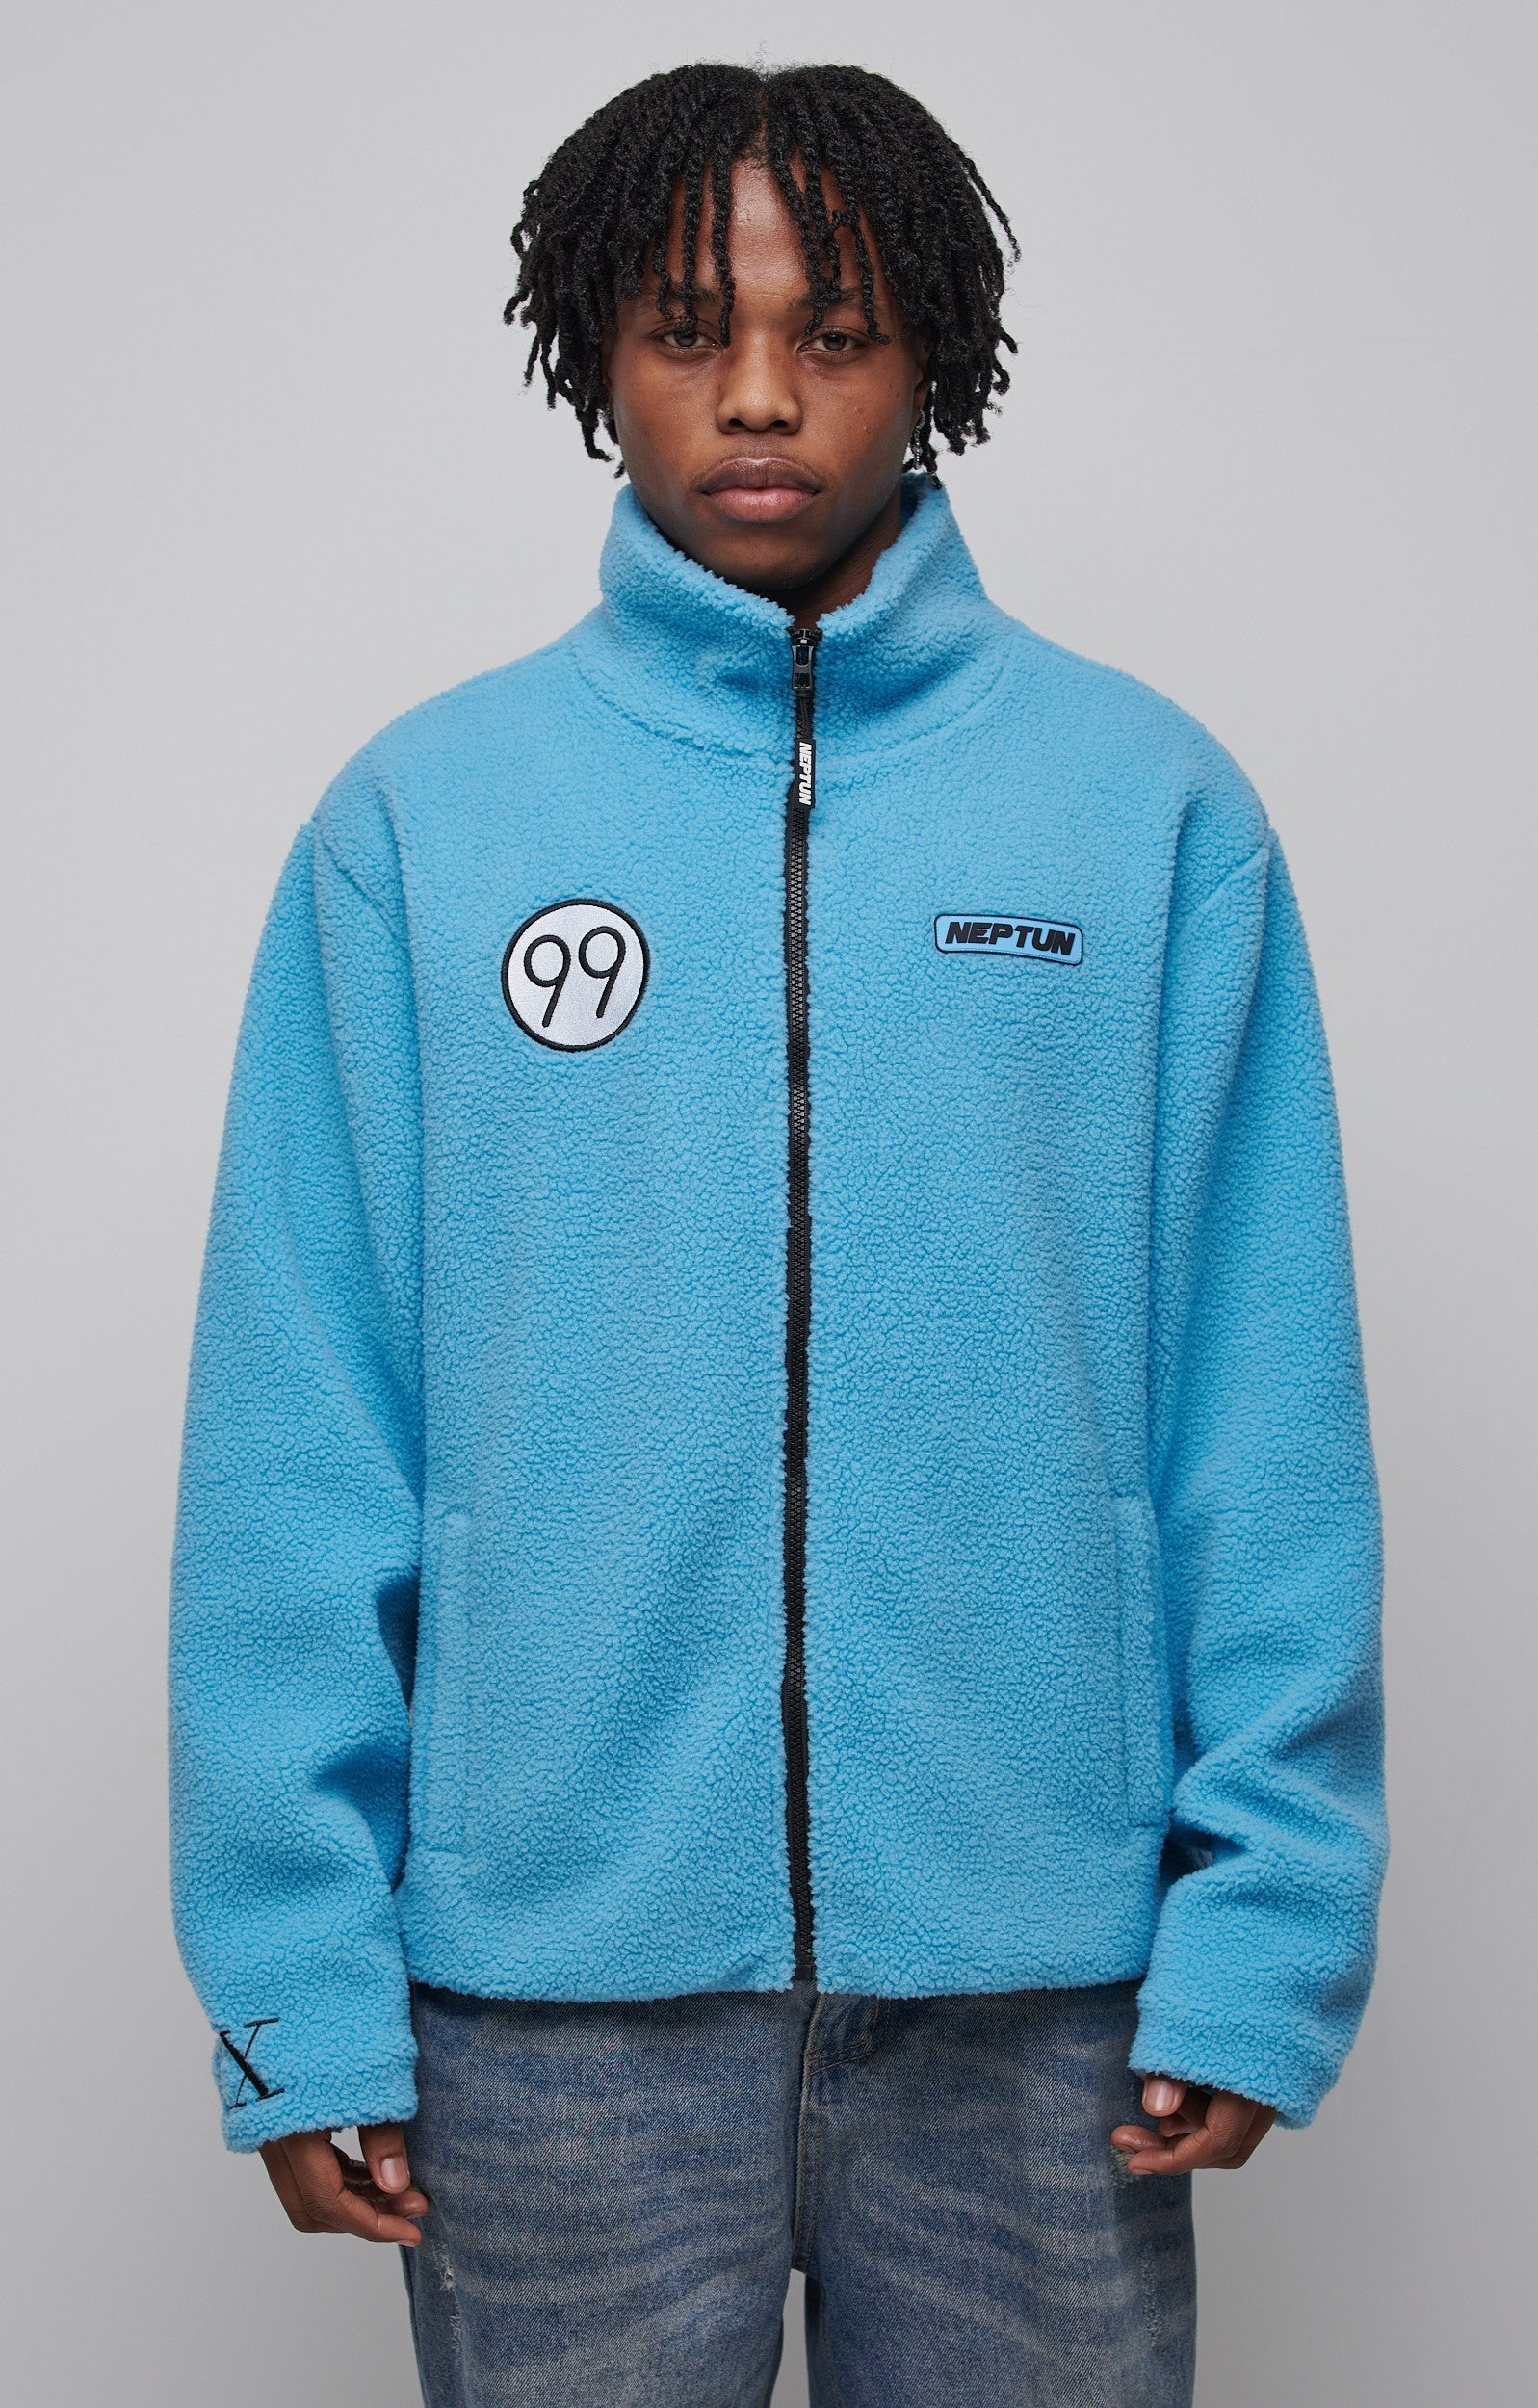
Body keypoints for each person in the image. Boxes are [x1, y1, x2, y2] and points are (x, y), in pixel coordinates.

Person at [169, 61, 1386, 2408]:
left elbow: (1265, 1414)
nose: (753, 393)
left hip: (1048, 1998)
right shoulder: (423, 828)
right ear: (590, 354)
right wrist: (295, 1978)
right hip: (547, 2005)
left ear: (932, 349)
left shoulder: (1145, 815)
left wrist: (1265, 1926)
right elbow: (296, 1436)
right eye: (681, 328)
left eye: (830, 330)